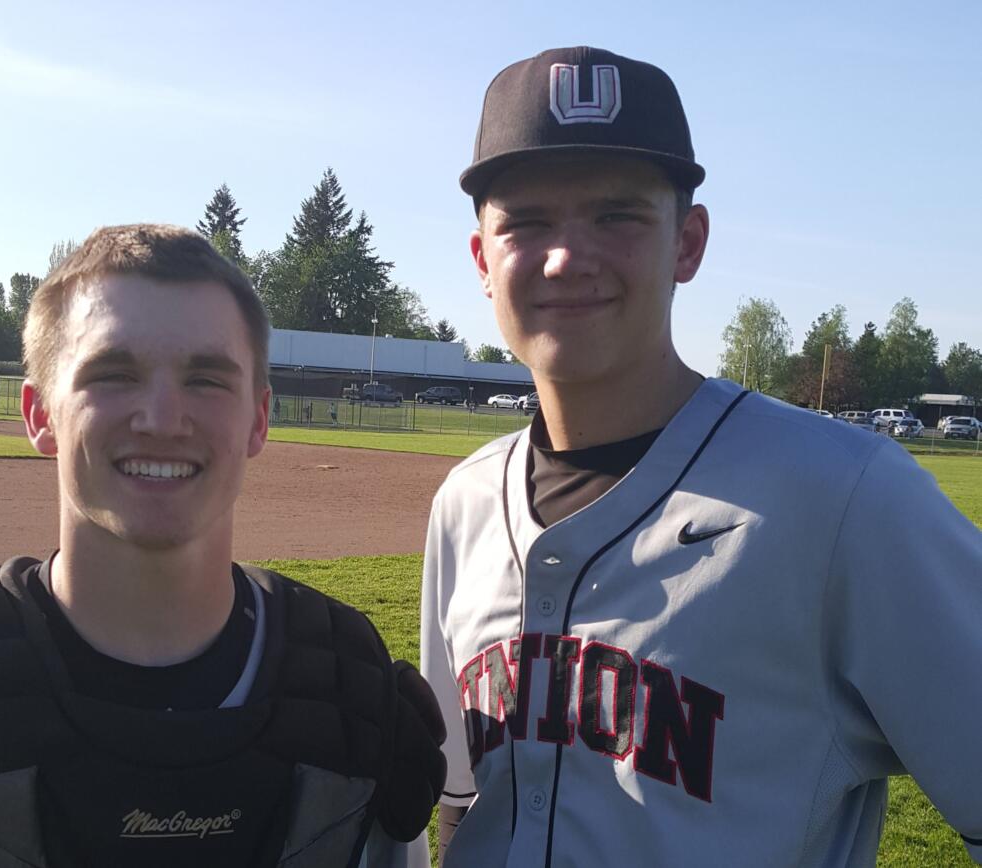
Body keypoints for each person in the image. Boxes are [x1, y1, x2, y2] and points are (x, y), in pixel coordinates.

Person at [411, 47, 982, 867]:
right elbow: (463, 801)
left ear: (688, 242)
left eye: (616, 215)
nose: (567, 257)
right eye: (526, 221)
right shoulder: (462, 503)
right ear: (482, 261)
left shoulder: (844, 496)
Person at [0, 225, 446, 867]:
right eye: (112, 374)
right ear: (39, 415)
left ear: (258, 420)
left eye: (206, 378)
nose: (162, 419)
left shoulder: (353, 709)